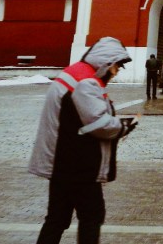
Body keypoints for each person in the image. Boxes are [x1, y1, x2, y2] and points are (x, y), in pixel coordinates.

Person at [29, 36, 137, 244]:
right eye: (117, 66)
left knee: (57, 219)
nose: (116, 72)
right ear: (107, 62)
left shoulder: (77, 73)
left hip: (62, 160)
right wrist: (122, 126)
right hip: (78, 164)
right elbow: (98, 124)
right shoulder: (86, 82)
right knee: (91, 216)